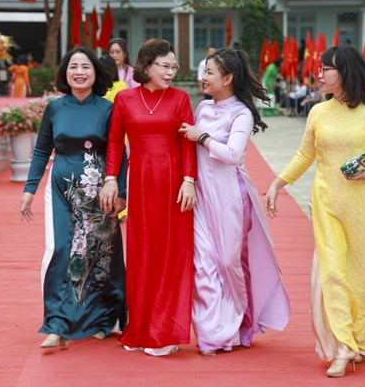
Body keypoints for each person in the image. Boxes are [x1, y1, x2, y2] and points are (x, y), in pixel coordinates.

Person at [264, 45, 365, 378]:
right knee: (333, 273)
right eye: (320, 69)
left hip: (362, 207)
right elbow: (304, 155)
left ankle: (362, 338)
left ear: (346, 72)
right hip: (326, 204)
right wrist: (277, 184)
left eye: (327, 69)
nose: (319, 74)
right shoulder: (318, 112)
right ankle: (343, 347)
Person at [179, 48, 291, 356]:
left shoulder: (241, 113)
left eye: (210, 72)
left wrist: (202, 138)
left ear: (227, 78)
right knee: (203, 263)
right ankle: (211, 335)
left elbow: (232, 154)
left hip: (230, 195)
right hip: (202, 196)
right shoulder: (203, 107)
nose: (204, 77)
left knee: (228, 261)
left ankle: (239, 322)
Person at [19, 47, 128, 349]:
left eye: (85, 67)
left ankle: (103, 320)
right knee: (60, 250)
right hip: (60, 190)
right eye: (73, 67)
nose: (79, 72)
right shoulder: (55, 108)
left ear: (96, 73)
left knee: (100, 255)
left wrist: (120, 191)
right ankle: (57, 324)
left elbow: (119, 152)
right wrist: (29, 188)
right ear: (65, 73)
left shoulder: (108, 109)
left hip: (99, 193)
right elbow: (42, 150)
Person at [99, 38, 197, 356]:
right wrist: (111, 180)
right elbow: (115, 141)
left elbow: (187, 143)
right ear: (146, 65)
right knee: (142, 252)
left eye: (174, 67)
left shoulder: (180, 98)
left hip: (173, 183)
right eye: (164, 66)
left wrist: (189, 180)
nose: (170, 72)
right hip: (140, 182)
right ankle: (141, 327)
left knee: (172, 253)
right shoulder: (125, 98)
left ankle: (166, 331)